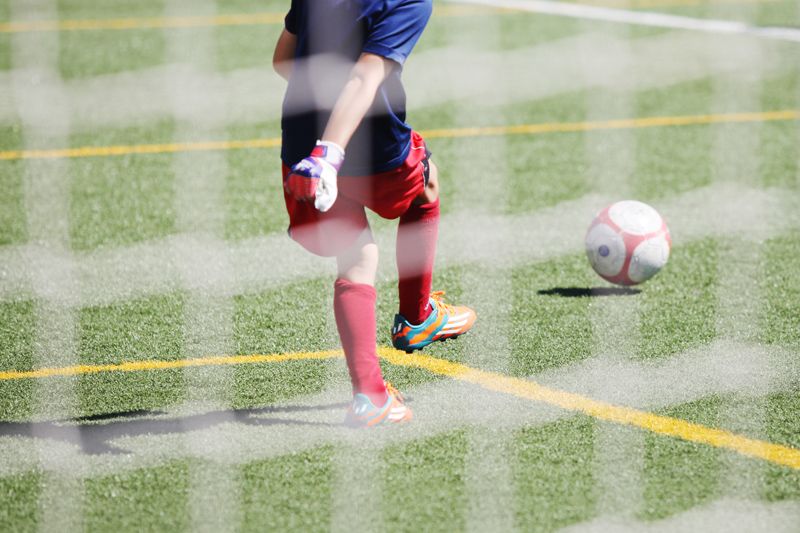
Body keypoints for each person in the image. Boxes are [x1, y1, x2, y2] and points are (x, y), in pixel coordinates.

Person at [273, 0, 476, 427]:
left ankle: (370, 398)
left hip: (301, 146)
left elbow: (283, 60)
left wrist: (325, 129)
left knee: (357, 257)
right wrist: (331, 151)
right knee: (426, 185)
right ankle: (417, 318)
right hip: (367, 146)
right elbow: (365, 76)